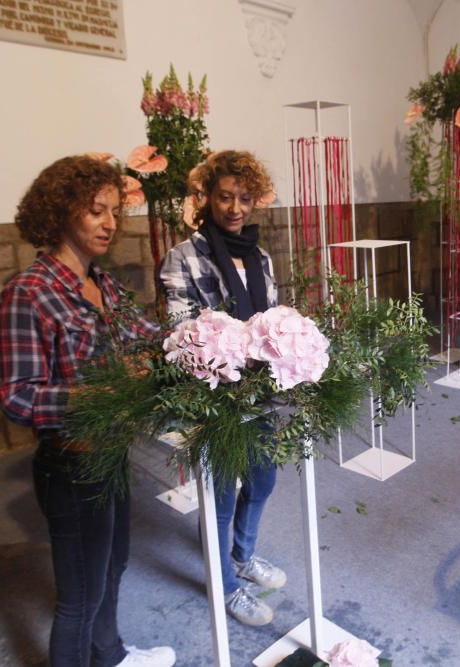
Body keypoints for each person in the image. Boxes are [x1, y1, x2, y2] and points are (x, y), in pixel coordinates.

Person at [0, 155, 176, 667]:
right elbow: (17, 395)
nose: (110, 223)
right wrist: (101, 390)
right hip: (70, 466)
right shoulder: (28, 293)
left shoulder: (107, 286)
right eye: (96, 211)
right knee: (78, 598)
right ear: (60, 212)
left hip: (112, 453)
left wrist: (205, 337)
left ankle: (111, 655)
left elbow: (150, 338)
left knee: (114, 566)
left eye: (115, 211)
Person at [159, 150, 286, 626]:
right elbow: (177, 330)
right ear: (207, 198)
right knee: (222, 492)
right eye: (226, 197)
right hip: (211, 389)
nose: (235, 208)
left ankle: (242, 554)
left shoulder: (261, 256)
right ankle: (226, 586)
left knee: (264, 477)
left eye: (244, 198)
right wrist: (226, 345)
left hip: (259, 388)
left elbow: (272, 316)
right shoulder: (183, 256)